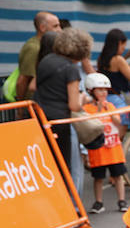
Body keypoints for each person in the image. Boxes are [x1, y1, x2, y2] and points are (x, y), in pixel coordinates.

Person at [34, 26, 91, 170]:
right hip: (59, 121)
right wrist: (84, 98)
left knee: (44, 164)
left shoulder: (46, 60)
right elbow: (74, 105)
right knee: (62, 166)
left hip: (38, 117)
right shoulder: (71, 69)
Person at [81, 73, 129, 213]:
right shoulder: (87, 109)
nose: (103, 93)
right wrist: (98, 109)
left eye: (105, 90)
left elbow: (118, 122)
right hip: (98, 149)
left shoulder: (111, 105)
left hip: (113, 148)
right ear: (91, 90)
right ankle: (99, 202)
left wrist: (108, 109)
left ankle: (121, 200)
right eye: (100, 90)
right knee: (98, 177)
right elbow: (88, 125)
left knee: (118, 175)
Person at [14, 11, 59, 101]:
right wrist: (20, 109)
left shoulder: (43, 45)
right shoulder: (33, 48)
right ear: (42, 28)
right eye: (55, 26)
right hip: (33, 104)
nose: (59, 30)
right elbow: (23, 80)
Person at [97, 28, 130, 107]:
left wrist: (129, 68)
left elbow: (113, 75)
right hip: (119, 98)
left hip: (106, 96)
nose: (123, 50)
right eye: (123, 47)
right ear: (119, 43)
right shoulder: (118, 59)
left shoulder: (101, 58)